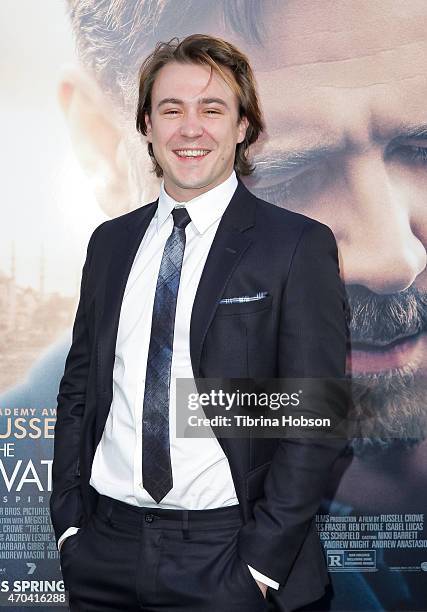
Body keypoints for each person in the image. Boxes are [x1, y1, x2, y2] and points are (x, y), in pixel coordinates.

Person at [49, 34, 348, 612]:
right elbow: (80, 387)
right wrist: (70, 526)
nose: (191, 129)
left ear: (243, 128)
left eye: (212, 109)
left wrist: (259, 566)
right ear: (147, 125)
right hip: (103, 552)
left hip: (228, 558)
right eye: (171, 109)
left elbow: (317, 418)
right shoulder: (110, 245)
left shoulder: (296, 245)